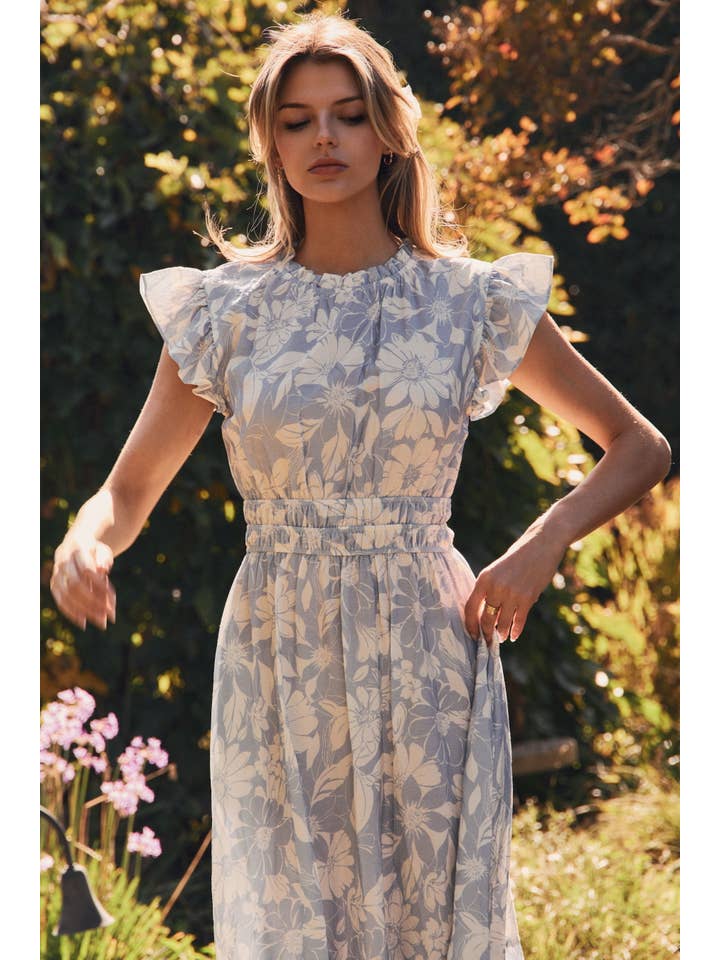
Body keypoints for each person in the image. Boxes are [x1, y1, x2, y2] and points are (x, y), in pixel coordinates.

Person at [49, 11, 671, 959]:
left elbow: (637, 445)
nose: (324, 139)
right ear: (269, 139)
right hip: (278, 651)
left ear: (387, 130)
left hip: (430, 646)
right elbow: (126, 493)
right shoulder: (224, 315)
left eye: (346, 114)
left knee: (428, 924)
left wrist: (541, 544)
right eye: (296, 121)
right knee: (302, 925)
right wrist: (83, 542)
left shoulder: (469, 303)